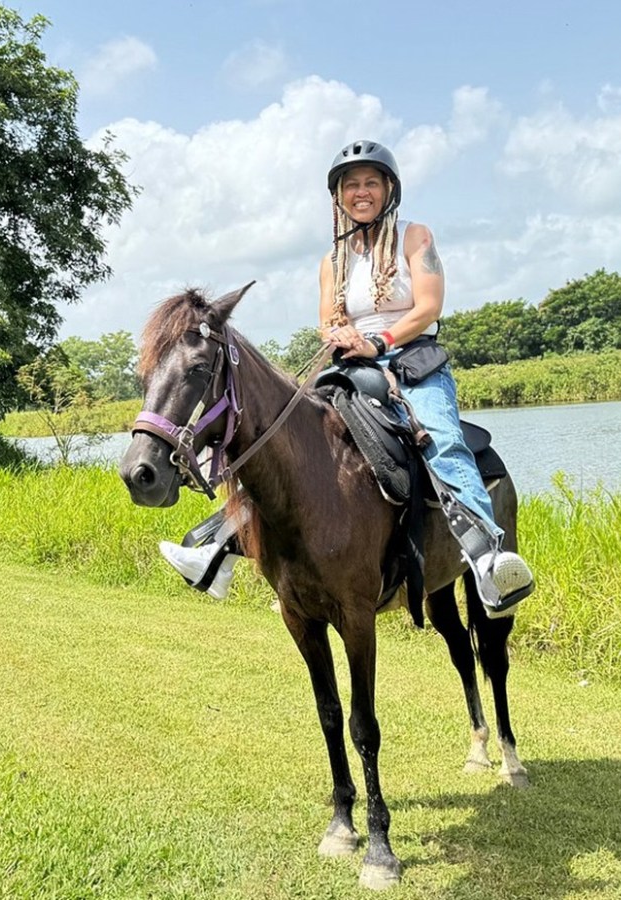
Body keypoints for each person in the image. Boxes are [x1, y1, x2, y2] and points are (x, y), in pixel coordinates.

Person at [160, 139, 534, 616]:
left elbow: (428, 307)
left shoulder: (414, 238)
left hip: (412, 362)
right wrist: (340, 334)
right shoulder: (331, 261)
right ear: (338, 196)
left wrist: (378, 342)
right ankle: (218, 546)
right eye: (351, 185)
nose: (361, 193)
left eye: (370, 183)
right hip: (352, 368)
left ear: (388, 189)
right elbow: (326, 319)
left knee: (441, 437)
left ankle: (487, 554)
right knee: (286, 438)